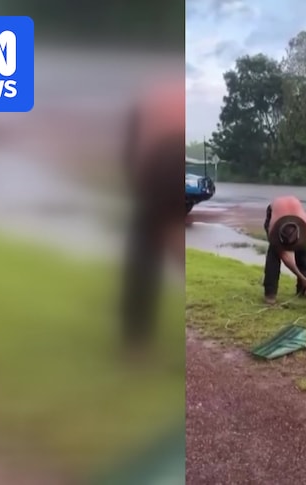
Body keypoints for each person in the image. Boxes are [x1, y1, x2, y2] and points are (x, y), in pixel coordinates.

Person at [119, 77, 185, 356]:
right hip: (155, 165)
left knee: (148, 252)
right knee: (145, 255)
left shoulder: (163, 102)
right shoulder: (157, 118)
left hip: (157, 162)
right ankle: (135, 341)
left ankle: (136, 340)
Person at [263, 196, 306, 304]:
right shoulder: (274, 229)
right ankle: (270, 293)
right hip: (275, 210)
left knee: (302, 251)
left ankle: (304, 290)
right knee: (273, 255)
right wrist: (300, 276)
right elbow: (284, 255)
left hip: (296, 213)